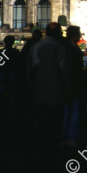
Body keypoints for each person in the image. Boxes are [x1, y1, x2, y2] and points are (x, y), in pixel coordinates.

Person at [28, 23, 67, 152]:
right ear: (59, 34)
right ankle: (53, 148)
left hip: (38, 90)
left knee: (41, 120)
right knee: (55, 122)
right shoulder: (60, 47)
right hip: (56, 92)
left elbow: (29, 70)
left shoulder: (35, 47)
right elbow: (64, 70)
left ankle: (39, 146)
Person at [61, 26, 83, 147]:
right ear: (75, 36)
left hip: (70, 83)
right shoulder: (69, 48)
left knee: (69, 110)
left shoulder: (69, 46)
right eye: (78, 34)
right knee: (72, 110)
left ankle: (68, 135)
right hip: (71, 83)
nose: (80, 36)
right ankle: (69, 136)